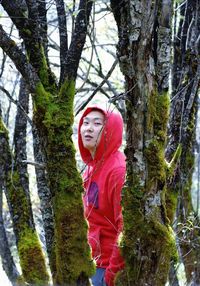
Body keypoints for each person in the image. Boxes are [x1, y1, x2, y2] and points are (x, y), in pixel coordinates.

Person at [78, 106, 126, 286]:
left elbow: (125, 227)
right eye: (85, 122)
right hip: (91, 263)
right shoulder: (92, 166)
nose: (88, 128)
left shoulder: (118, 170)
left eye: (97, 123)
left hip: (106, 269)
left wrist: (111, 276)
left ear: (110, 130)